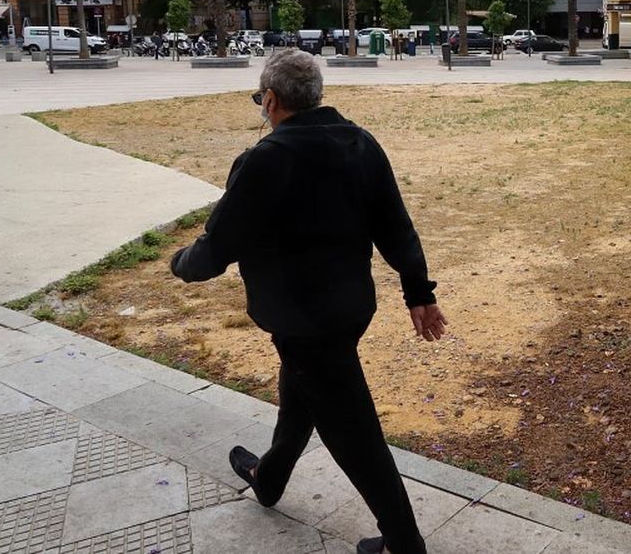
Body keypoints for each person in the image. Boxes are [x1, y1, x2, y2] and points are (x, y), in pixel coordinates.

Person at [170, 50, 445, 554]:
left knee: (353, 432)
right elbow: (396, 227)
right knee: (302, 394)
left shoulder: (264, 159)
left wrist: (179, 263)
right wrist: (418, 291)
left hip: (302, 320)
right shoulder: (360, 144)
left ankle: (404, 544)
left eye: (260, 99)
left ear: (271, 100)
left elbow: (217, 247)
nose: (262, 107)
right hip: (349, 310)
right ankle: (268, 478)